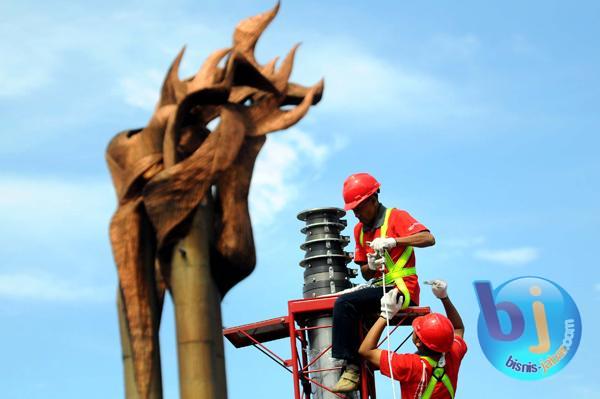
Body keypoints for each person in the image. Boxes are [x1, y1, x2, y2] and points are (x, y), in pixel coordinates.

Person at [331, 173, 436, 392]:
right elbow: (366, 274)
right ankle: (357, 361)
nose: (357, 214)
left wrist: (394, 241)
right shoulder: (360, 230)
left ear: (373, 199)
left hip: (402, 288)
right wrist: (371, 265)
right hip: (379, 287)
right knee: (348, 306)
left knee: (344, 304)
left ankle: (351, 367)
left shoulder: (395, 217)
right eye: (354, 210)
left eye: (360, 207)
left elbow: (428, 238)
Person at [358, 280, 467, 399]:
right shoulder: (452, 357)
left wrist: (385, 315)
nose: (414, 330)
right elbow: (458, 329)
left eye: (416, 330)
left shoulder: (410, 365)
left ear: (418, 342)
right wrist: (444, 298)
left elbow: (366, 351)